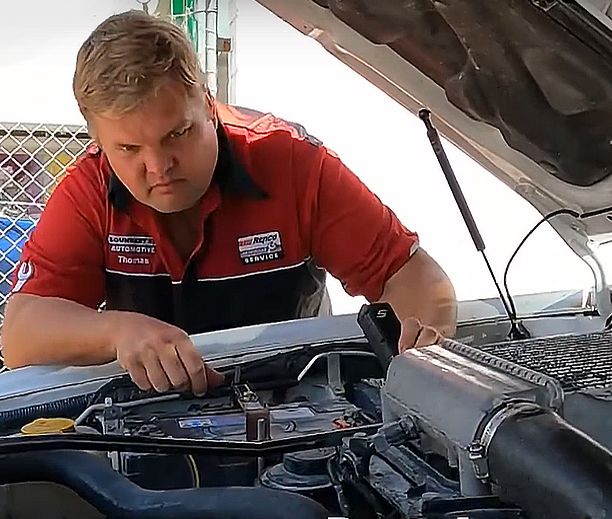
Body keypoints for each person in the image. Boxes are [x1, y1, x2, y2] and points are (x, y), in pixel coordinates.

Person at [1, 10, 457, 395]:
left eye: (177, 134)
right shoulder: (89, 188)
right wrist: (119, 331)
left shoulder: (291, 163)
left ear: (207, 102)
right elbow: (21, 334)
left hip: (299, 411)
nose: (159, 167)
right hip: (153, 421)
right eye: (130, 150)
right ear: (97, 140)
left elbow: (416, 277)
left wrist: (418, 348)